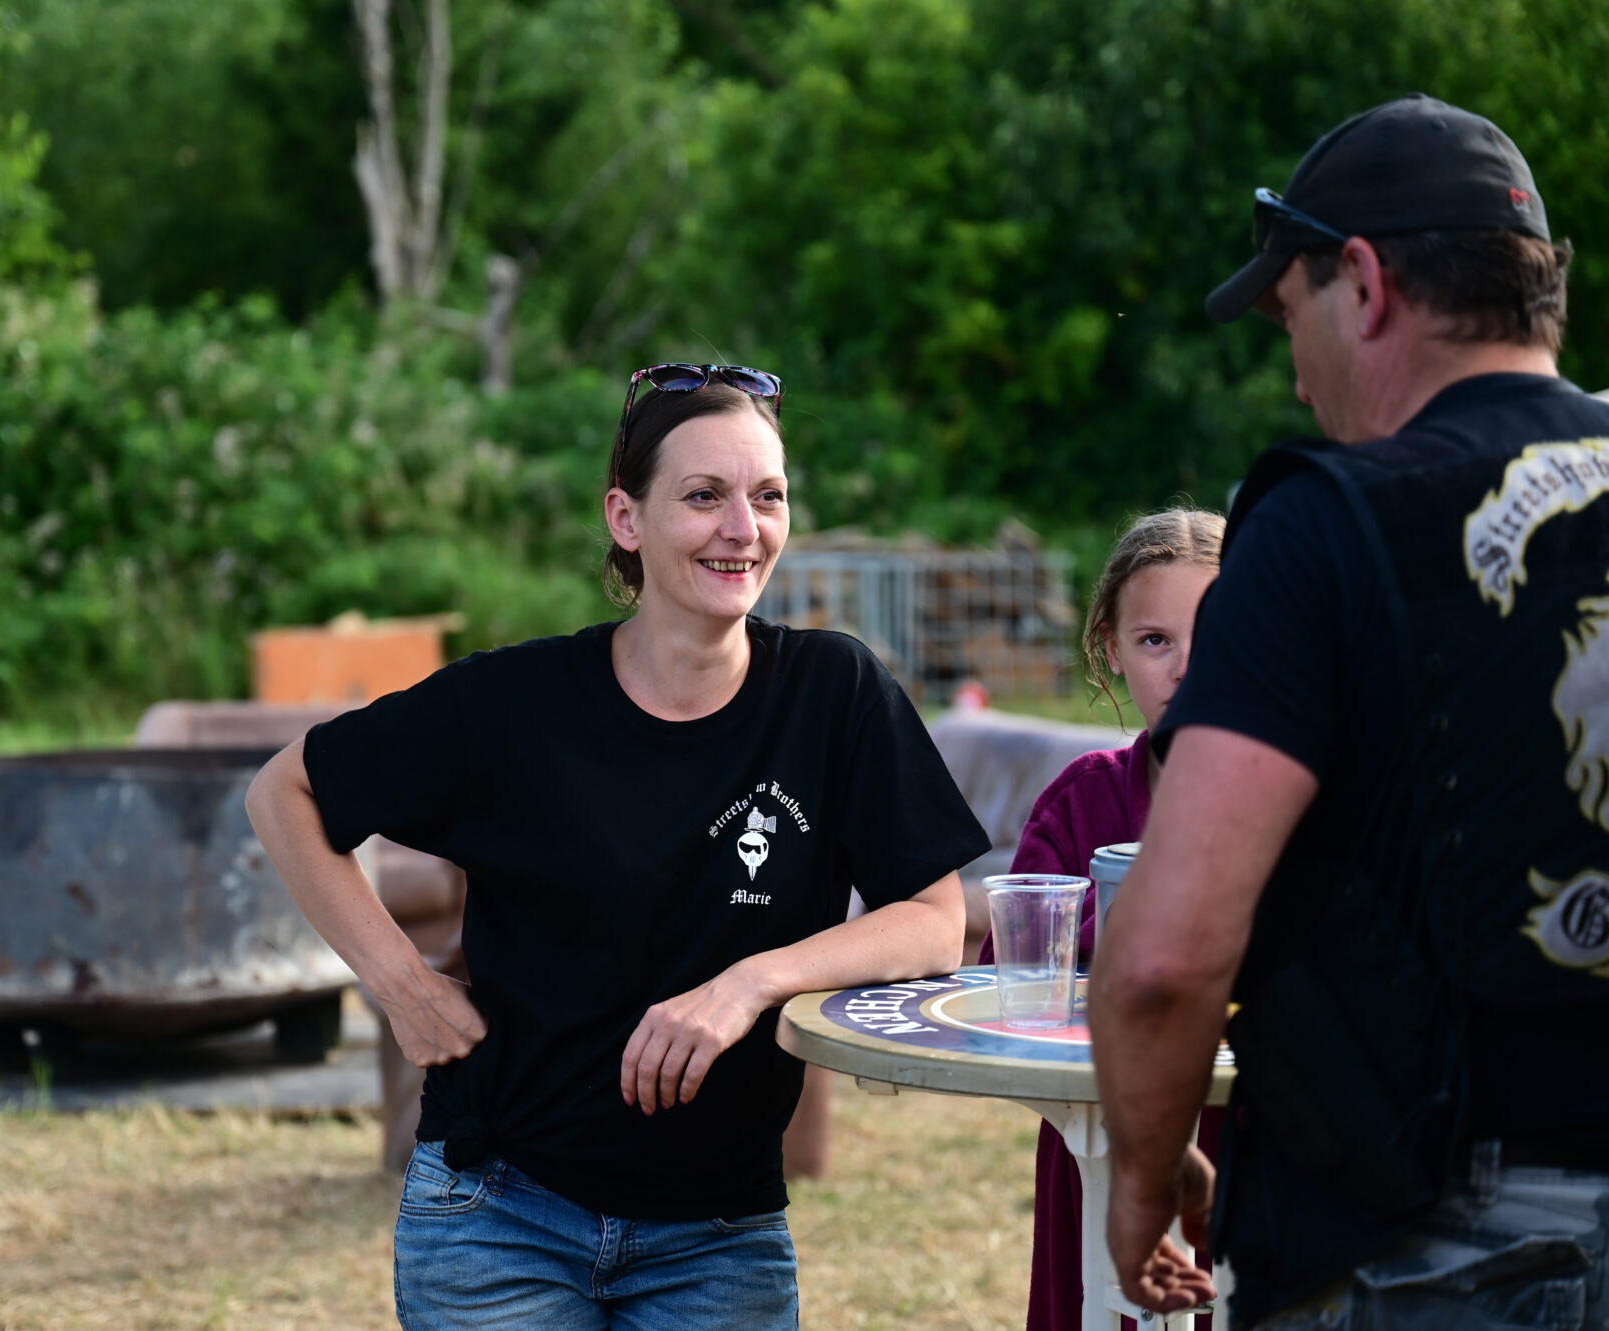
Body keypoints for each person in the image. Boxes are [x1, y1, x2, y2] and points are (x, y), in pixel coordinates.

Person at [244, 362, 990, 1329]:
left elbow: (932, 920)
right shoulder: (516, 704)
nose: (743, 528)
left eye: (768, 496)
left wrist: (748, 983)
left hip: (721, 1235)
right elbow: (285, 791)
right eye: (704, 496)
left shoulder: (833, 693)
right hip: (498, 1216)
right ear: (625, 518)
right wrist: (402, 986)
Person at [1090, 93, 1609, 1329]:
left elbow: (1163, 958)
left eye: (1289, 314)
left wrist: (1143, 1178)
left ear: (1362, 283)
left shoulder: (1321, 523)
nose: (1293, 368)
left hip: (1431, 1241)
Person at [979, 507, 1225, 1331]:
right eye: (1156, 640)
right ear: (1111, 649)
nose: (1187, 667)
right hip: (1098, 1144)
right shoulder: (1083, 798)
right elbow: (1012, 970)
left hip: (1261, 1145)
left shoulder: (1312, 801)